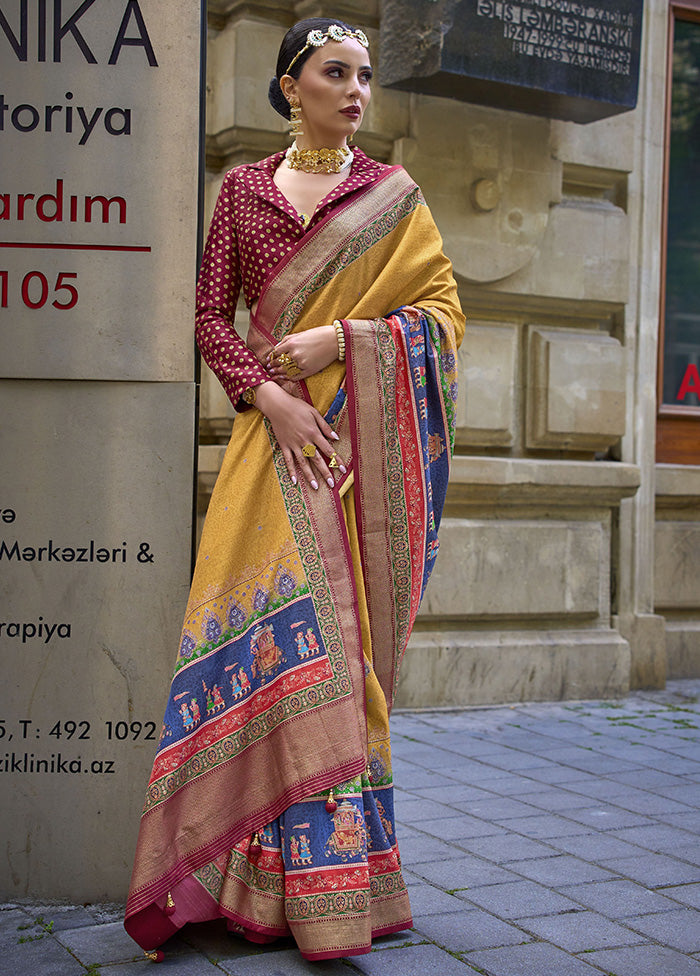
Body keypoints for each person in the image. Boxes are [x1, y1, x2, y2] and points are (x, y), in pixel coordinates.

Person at [124, 17, 465, 962]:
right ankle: (232, 884)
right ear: (290, 87)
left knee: (335, 657)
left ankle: (331, 897)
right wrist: (269, 393)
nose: (356, 91)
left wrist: (345, 341)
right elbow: (207, 313)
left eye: (364, 77)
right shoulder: (241, 192)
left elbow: (441, 314)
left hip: (355, 456)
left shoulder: (393, 198)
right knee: (260, 652)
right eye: (334, 73)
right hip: (270, 454)